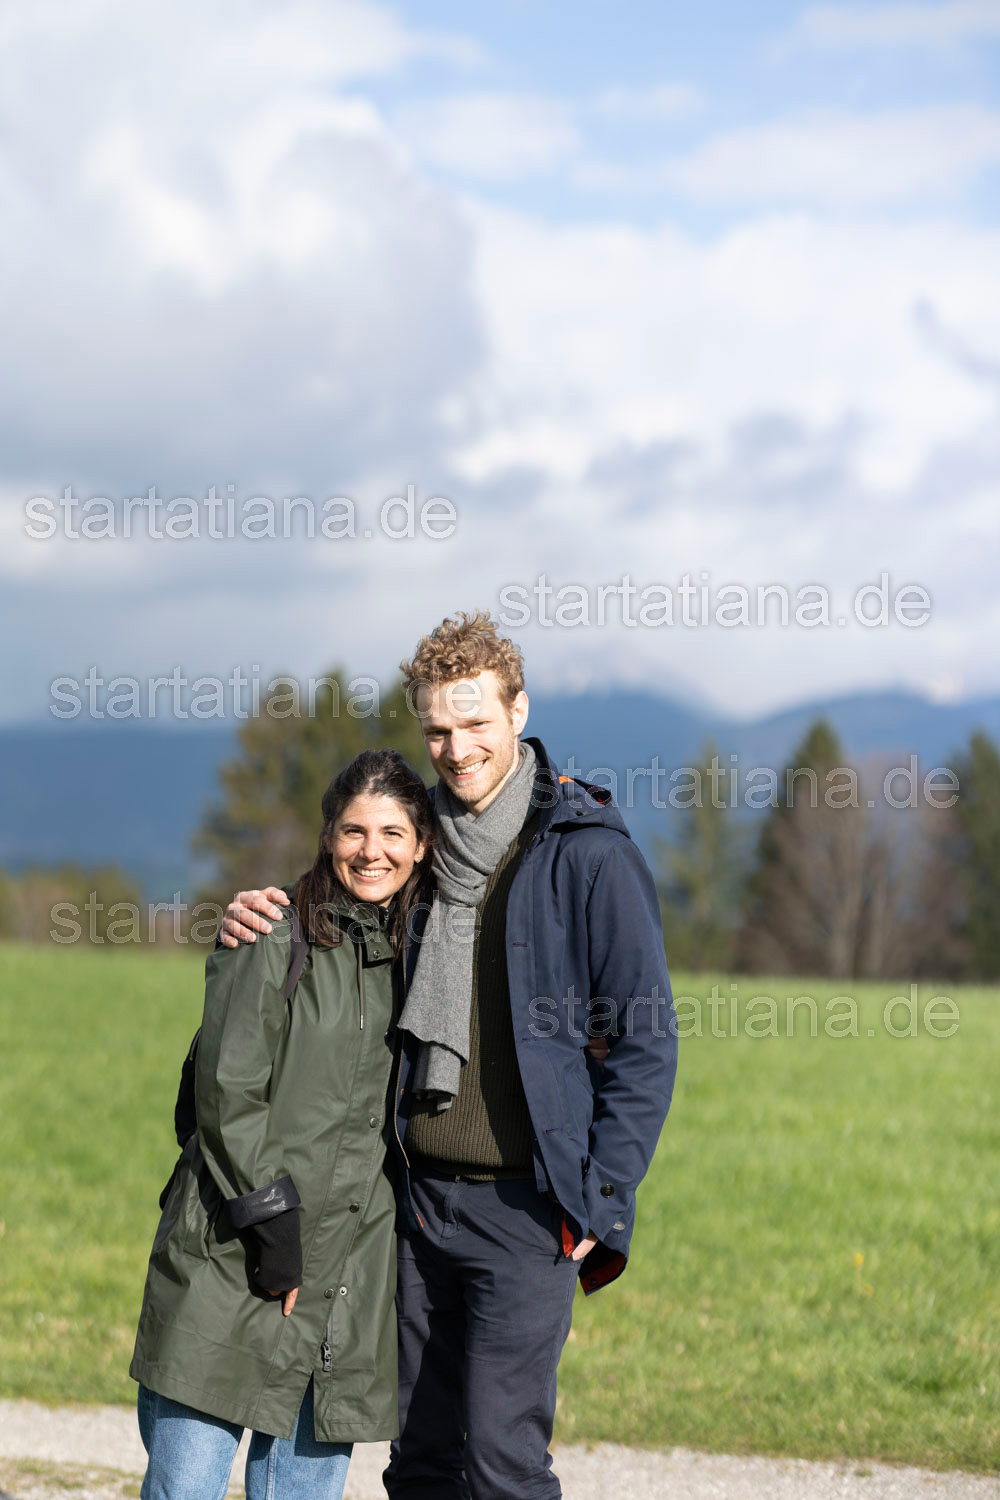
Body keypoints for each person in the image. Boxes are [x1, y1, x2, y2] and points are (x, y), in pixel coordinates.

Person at [222, 610, 679, 1500]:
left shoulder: (587, 857)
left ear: (518, 712)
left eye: (475, 723)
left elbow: (645, 1042)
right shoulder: (416, 846)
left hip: (529, 1211)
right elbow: (331, 911)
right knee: (421, 1460)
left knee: (505, 1466)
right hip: (415, 1205)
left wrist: (603, 1195)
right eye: (437, 729)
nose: (457, 749)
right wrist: (254, 914)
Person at [130, 748, 433, 1500]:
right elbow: (226, 1088)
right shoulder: (271, 932)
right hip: (233, 1253)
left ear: (422, 845)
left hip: (348, 1281)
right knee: (184, 1488)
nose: (372, 851)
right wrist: (272, 1225)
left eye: (393, 833)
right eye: (354, 830)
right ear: (328, 837)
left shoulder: (426, 960)